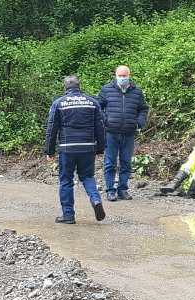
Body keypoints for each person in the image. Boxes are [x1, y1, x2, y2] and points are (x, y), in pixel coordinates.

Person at [44, 75, 106, 224]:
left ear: (65, 87)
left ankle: (68, 215)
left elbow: (52, 128)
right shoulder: (92, 102)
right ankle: (96, 200)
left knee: (66, 180)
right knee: (87, 177)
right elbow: (100, 126)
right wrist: (100, 148)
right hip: (88, 147)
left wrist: (49, 151)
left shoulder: (59, 103)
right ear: (79, 86)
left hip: (67, 148)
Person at [98, 65, 148, 201]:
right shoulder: (106, 90)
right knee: (110, 162)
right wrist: (105, 120)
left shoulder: (137, 92)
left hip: (129, 132)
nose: (122, 78)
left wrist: (139, 122)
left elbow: (143, 109)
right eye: (120, 76)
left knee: (126, 162)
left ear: (129, 76)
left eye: (124, 76)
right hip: (111, 132)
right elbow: (98, 107)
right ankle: (110, 190)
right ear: (115, 76)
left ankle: (123, 189)